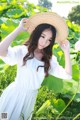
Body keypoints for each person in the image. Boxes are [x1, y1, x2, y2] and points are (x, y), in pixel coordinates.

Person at [0, 12, 72, 120]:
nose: (44, 42)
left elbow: (67, 75)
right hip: (14, 95)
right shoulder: (24, 51)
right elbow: (1, 51)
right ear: (37, 34)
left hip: (30, 99)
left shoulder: (48, 60)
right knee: (4, 117)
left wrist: (66, 51)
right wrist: (18, 30)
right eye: (42, 36)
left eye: (49, 40)